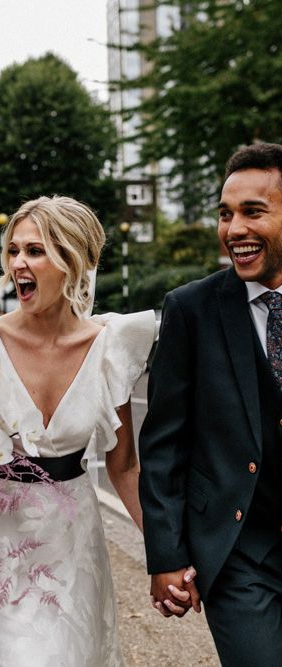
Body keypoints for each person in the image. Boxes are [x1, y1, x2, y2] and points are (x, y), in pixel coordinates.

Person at [0, 196, 156, 665]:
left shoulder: (110, 347)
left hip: (73, 548)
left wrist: (167, 553)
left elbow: (125, 466)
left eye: (35, 251)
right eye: (14, 251)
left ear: (74, 260)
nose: (17, 264)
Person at [139, 142, 282, 664]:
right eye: (225, 214)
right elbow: (162, 445)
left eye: (253, 212)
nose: (234, 229)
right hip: (241, 549)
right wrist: (167, 555)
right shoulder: (190, 310)